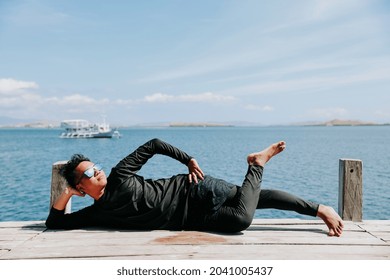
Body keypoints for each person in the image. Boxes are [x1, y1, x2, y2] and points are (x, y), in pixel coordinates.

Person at [46, 138, 344, 236]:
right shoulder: (97, 214)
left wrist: (187, 160)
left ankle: (258, 164)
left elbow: (153, 145)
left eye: (95, 166)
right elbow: (55, 223)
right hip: (192, 219)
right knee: (251, 203)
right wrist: (68, 194)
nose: (97, 171)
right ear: (81, 186)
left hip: (194, 189)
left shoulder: (120, 173)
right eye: (89, 172)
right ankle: (319, 208)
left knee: (244, 215)